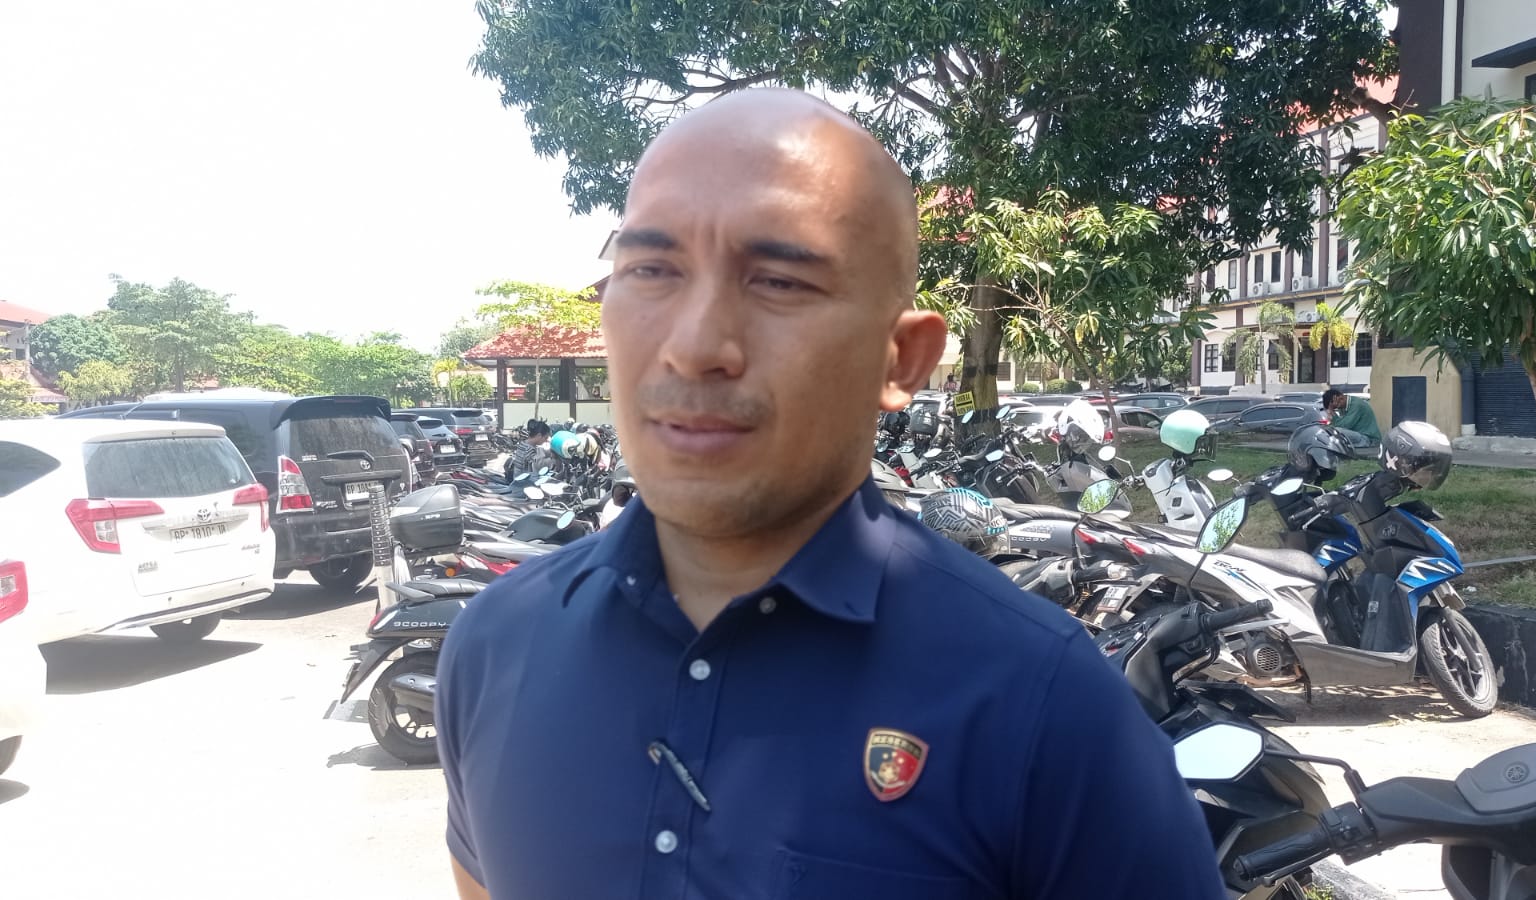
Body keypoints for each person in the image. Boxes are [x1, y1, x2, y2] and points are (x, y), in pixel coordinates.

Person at [436, 88, 1223, 900]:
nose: (695, 345)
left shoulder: (1045, 707)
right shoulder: (495, 647)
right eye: (652, 270)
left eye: (779, 281)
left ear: (902, 358)